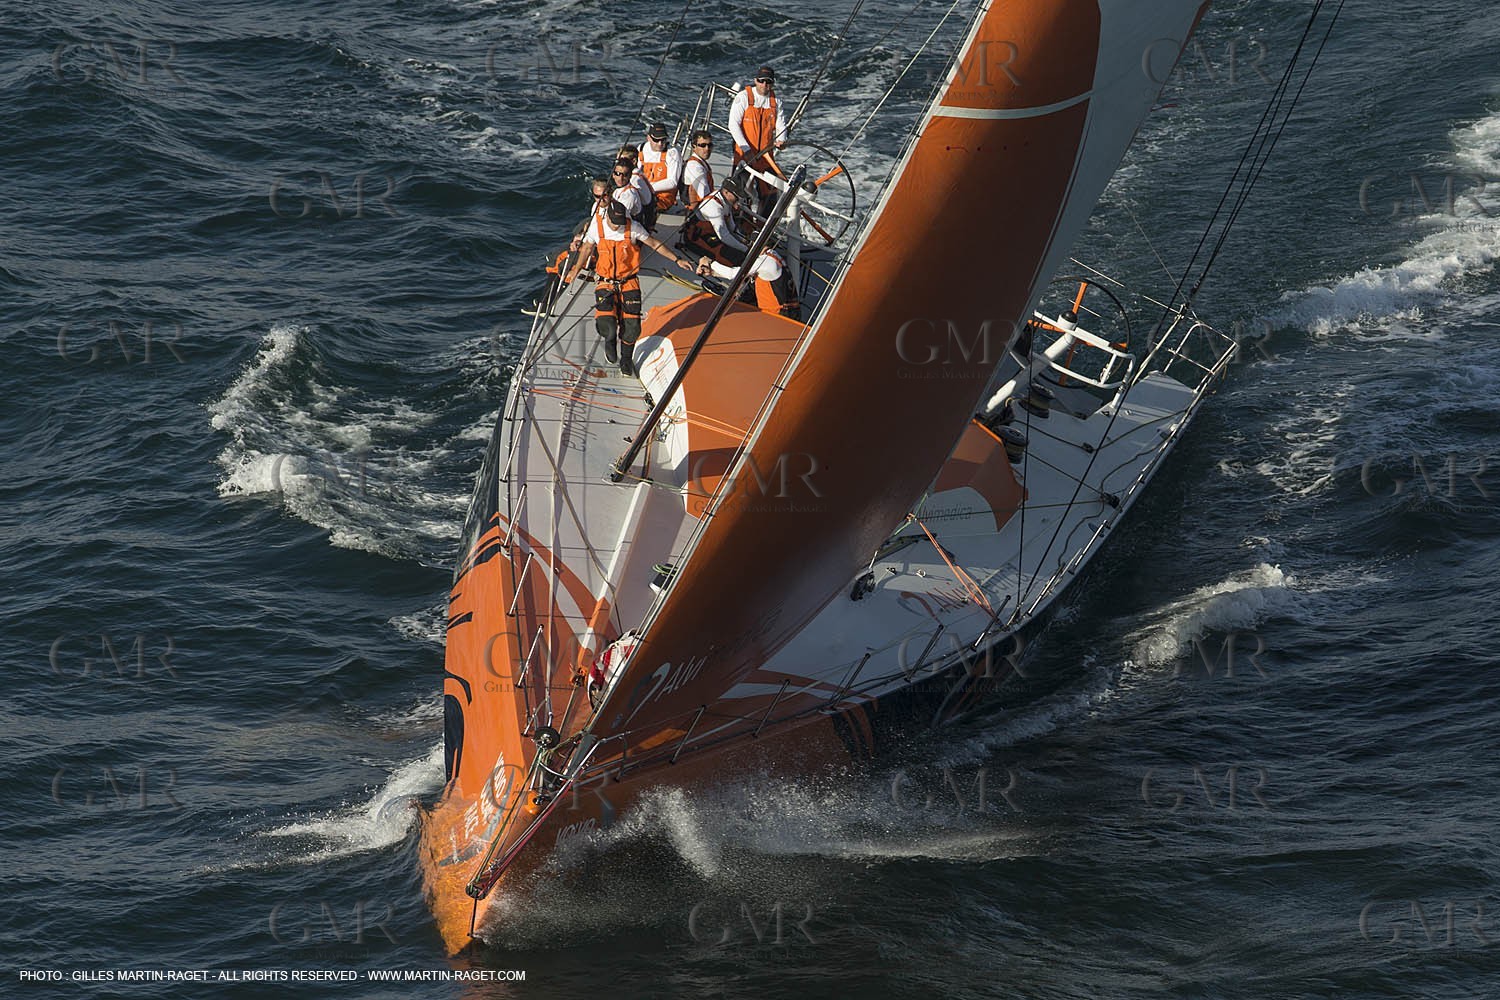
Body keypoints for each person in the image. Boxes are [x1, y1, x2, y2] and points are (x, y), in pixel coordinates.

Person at [566, 197, 692, 376]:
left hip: (628, 280)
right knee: (606, 323)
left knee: (632, 326)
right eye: (614, 222)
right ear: (607, 217)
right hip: (605, 280)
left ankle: (626, 358)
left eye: (620, 222)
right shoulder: (597, 227)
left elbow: (654, 244)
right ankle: (610, 341)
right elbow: (586, 249)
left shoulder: (633, 227)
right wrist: (574, 270)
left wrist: (677, 260)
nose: (617, 226)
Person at [696, 246, 800, 319]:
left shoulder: (765, 262)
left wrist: (710, 262)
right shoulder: (772, 255)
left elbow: (734, 274)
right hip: (790, 310)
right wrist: (713, 272)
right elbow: (745, 275)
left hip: (778, 315)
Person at [728, 66, 787, 173]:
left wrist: (781, 140)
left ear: (773, 83)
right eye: (761, 81)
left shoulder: (777, 102)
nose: (764, 84)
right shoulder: (743, 97)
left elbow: (781, 126)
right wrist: (746, 150)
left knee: (771, 189)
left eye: (768, 81)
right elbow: (733, 124)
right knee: (738, 188)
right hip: (744, 156)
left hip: (766, 158)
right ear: (755, 80)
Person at [680, 178, 748, 266]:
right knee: (732, 256)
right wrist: (746, 249)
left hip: (714, 232)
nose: (738, 199)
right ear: (726, 192)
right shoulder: (714, 207)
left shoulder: (726, 201)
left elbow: (732, 227)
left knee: (739, 246)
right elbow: (724, 236)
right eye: (736, 196)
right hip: (696, 238)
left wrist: (744, 241)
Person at [638, 123, 682, 212]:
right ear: (648, 138)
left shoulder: (672, 153)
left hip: (663, 199)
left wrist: (648, 188)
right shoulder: (641, 149)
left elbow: (673, 182)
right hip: (643, 193)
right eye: (656, 140)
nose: (660, 143)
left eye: (663, 140)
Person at [680, 129, 716, 209]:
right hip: (698, 211)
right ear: (694, 146)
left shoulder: (701, 163)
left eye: (709, 145)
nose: (707, 148)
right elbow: (703, 193)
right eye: (702, 145)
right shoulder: (694, 166)